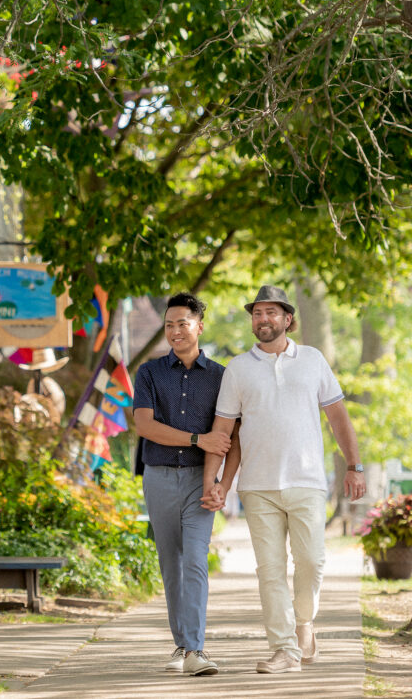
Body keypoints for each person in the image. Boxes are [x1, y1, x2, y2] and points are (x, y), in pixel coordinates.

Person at [202, 284, 366, 674]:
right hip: (257, 486)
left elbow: (338, 417)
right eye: (257, 313)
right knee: (270, 570)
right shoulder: (239, 368)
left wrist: (355, 466)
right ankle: (284, 649)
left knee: (312, 561)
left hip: (307, 481)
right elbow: (223, 429)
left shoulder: (313, 360)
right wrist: (217, 482)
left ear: (287, 319)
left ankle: (305, 623)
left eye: (271, 313)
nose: (263, 319)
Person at [132, 292, 231, 676]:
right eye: (169, 324)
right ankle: (182, 645)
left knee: (195, 561)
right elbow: (145, 426)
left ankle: (194, 648)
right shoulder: (149, 373)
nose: (175, 331)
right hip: (158, 478)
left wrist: (220, 481)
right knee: (170, 565)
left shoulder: (222, 377)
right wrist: (196, 438)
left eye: (182, 323)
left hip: (198, 480)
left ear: (199, 326)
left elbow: (228, 435)